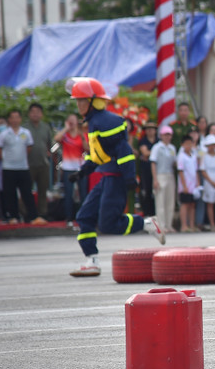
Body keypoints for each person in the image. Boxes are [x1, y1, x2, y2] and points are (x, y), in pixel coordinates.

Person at [65, 77, 164, 277]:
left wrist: (129, 178)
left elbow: (124, 151)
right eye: (78, 100)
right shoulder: (93, 122)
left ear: (94, 101)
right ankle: (92, 260)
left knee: (108, 224)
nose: (79, 104)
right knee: (84, 216)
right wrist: (83, 172)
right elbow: (97, 155)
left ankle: (145, 223)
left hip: (116, 178)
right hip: (106, 176)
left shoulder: (106, 121)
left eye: (83, 100)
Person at [0, 109, 44, 224]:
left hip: (23, 167)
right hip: (8, 168)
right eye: (12, 117)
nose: (14, 120)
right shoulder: (4, 134)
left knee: (27, 192)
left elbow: (29, 148)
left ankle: (33, 216)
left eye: (17, 117)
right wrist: (7, 159)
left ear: (20, 119)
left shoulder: (26, 133)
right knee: (10, 193)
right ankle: (14, 217)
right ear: (9, 120)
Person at [54, 113, 88, 227]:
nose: (72, 122)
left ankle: (84, 216)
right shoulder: (65, 136)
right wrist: (66, 128)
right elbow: (56, 139)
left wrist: (82, 135)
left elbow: (87, 148)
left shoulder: (81, 135)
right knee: (68, 194)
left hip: (80, 167)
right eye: (70, 120)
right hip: (68, 167)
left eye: (74, 120)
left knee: (83, 193)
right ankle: (69, 217)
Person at [23, 103, 53, 219]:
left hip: (43, 164)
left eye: (38, 112)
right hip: (28, 164)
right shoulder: (24, 128)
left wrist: (49, 154)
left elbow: (49, 144)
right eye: (33, 111)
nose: (35, 114)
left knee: (43, 189)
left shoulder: (46, 127)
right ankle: (28, 214)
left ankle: (43, 214)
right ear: (29, 114)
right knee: (27, 190)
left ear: (41, 114)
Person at [150, 125, 177, 233]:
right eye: (165, 134)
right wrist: (155, 179)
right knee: (160, 201)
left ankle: (169, 225)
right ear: (161, 135)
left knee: (170, 201)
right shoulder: (157, 147)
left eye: (169, 134)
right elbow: (153, 163)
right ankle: (161, 226)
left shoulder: (172, 148)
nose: (167, 137)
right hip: (160, 175)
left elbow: (175, 162)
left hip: (170, 175)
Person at [137, 121, 158, 217]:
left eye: (152, 128)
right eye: (148, 129)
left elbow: (147, 153)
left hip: (157, 169)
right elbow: (144, 153)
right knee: (146, 191)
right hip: (145, 169)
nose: (150, 130)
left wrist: (150, 153)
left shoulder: (158, 140)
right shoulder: (143, 140)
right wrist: (156, 152)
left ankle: (155, 213)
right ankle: (147, 213)